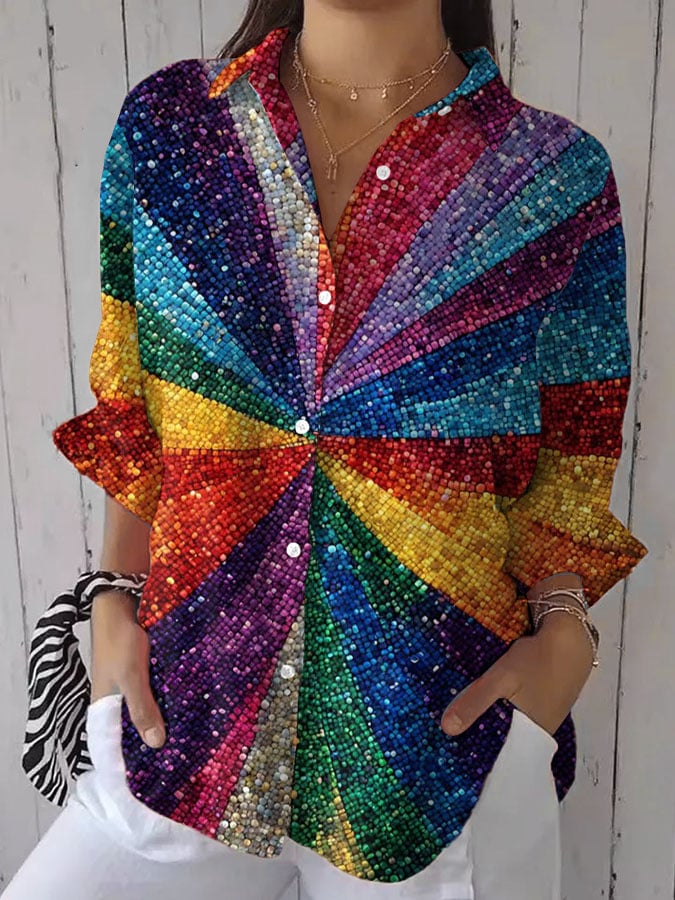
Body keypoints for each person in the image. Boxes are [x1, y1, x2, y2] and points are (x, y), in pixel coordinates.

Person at [5, 0, 649, 898]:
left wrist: (564, 643)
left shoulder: (550, 175)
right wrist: (112, 596)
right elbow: (135, 405)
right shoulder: (175, 128)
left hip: (438, 761)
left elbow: (571, 461)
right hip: (183, 722)